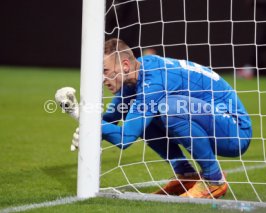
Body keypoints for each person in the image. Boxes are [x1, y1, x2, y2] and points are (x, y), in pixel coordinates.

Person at [72, 38, 252, 199]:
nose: (102, 79)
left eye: (105, 71)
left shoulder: (154, 82)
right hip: (210, 119)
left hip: (234, 130)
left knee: (169, 108)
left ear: (125, 65)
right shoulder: (136, 74)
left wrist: (80, 115)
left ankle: (214, 179)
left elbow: (124, 138)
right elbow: (110, 119)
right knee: (138, 111)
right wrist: (89, 131)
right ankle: (186, 175)